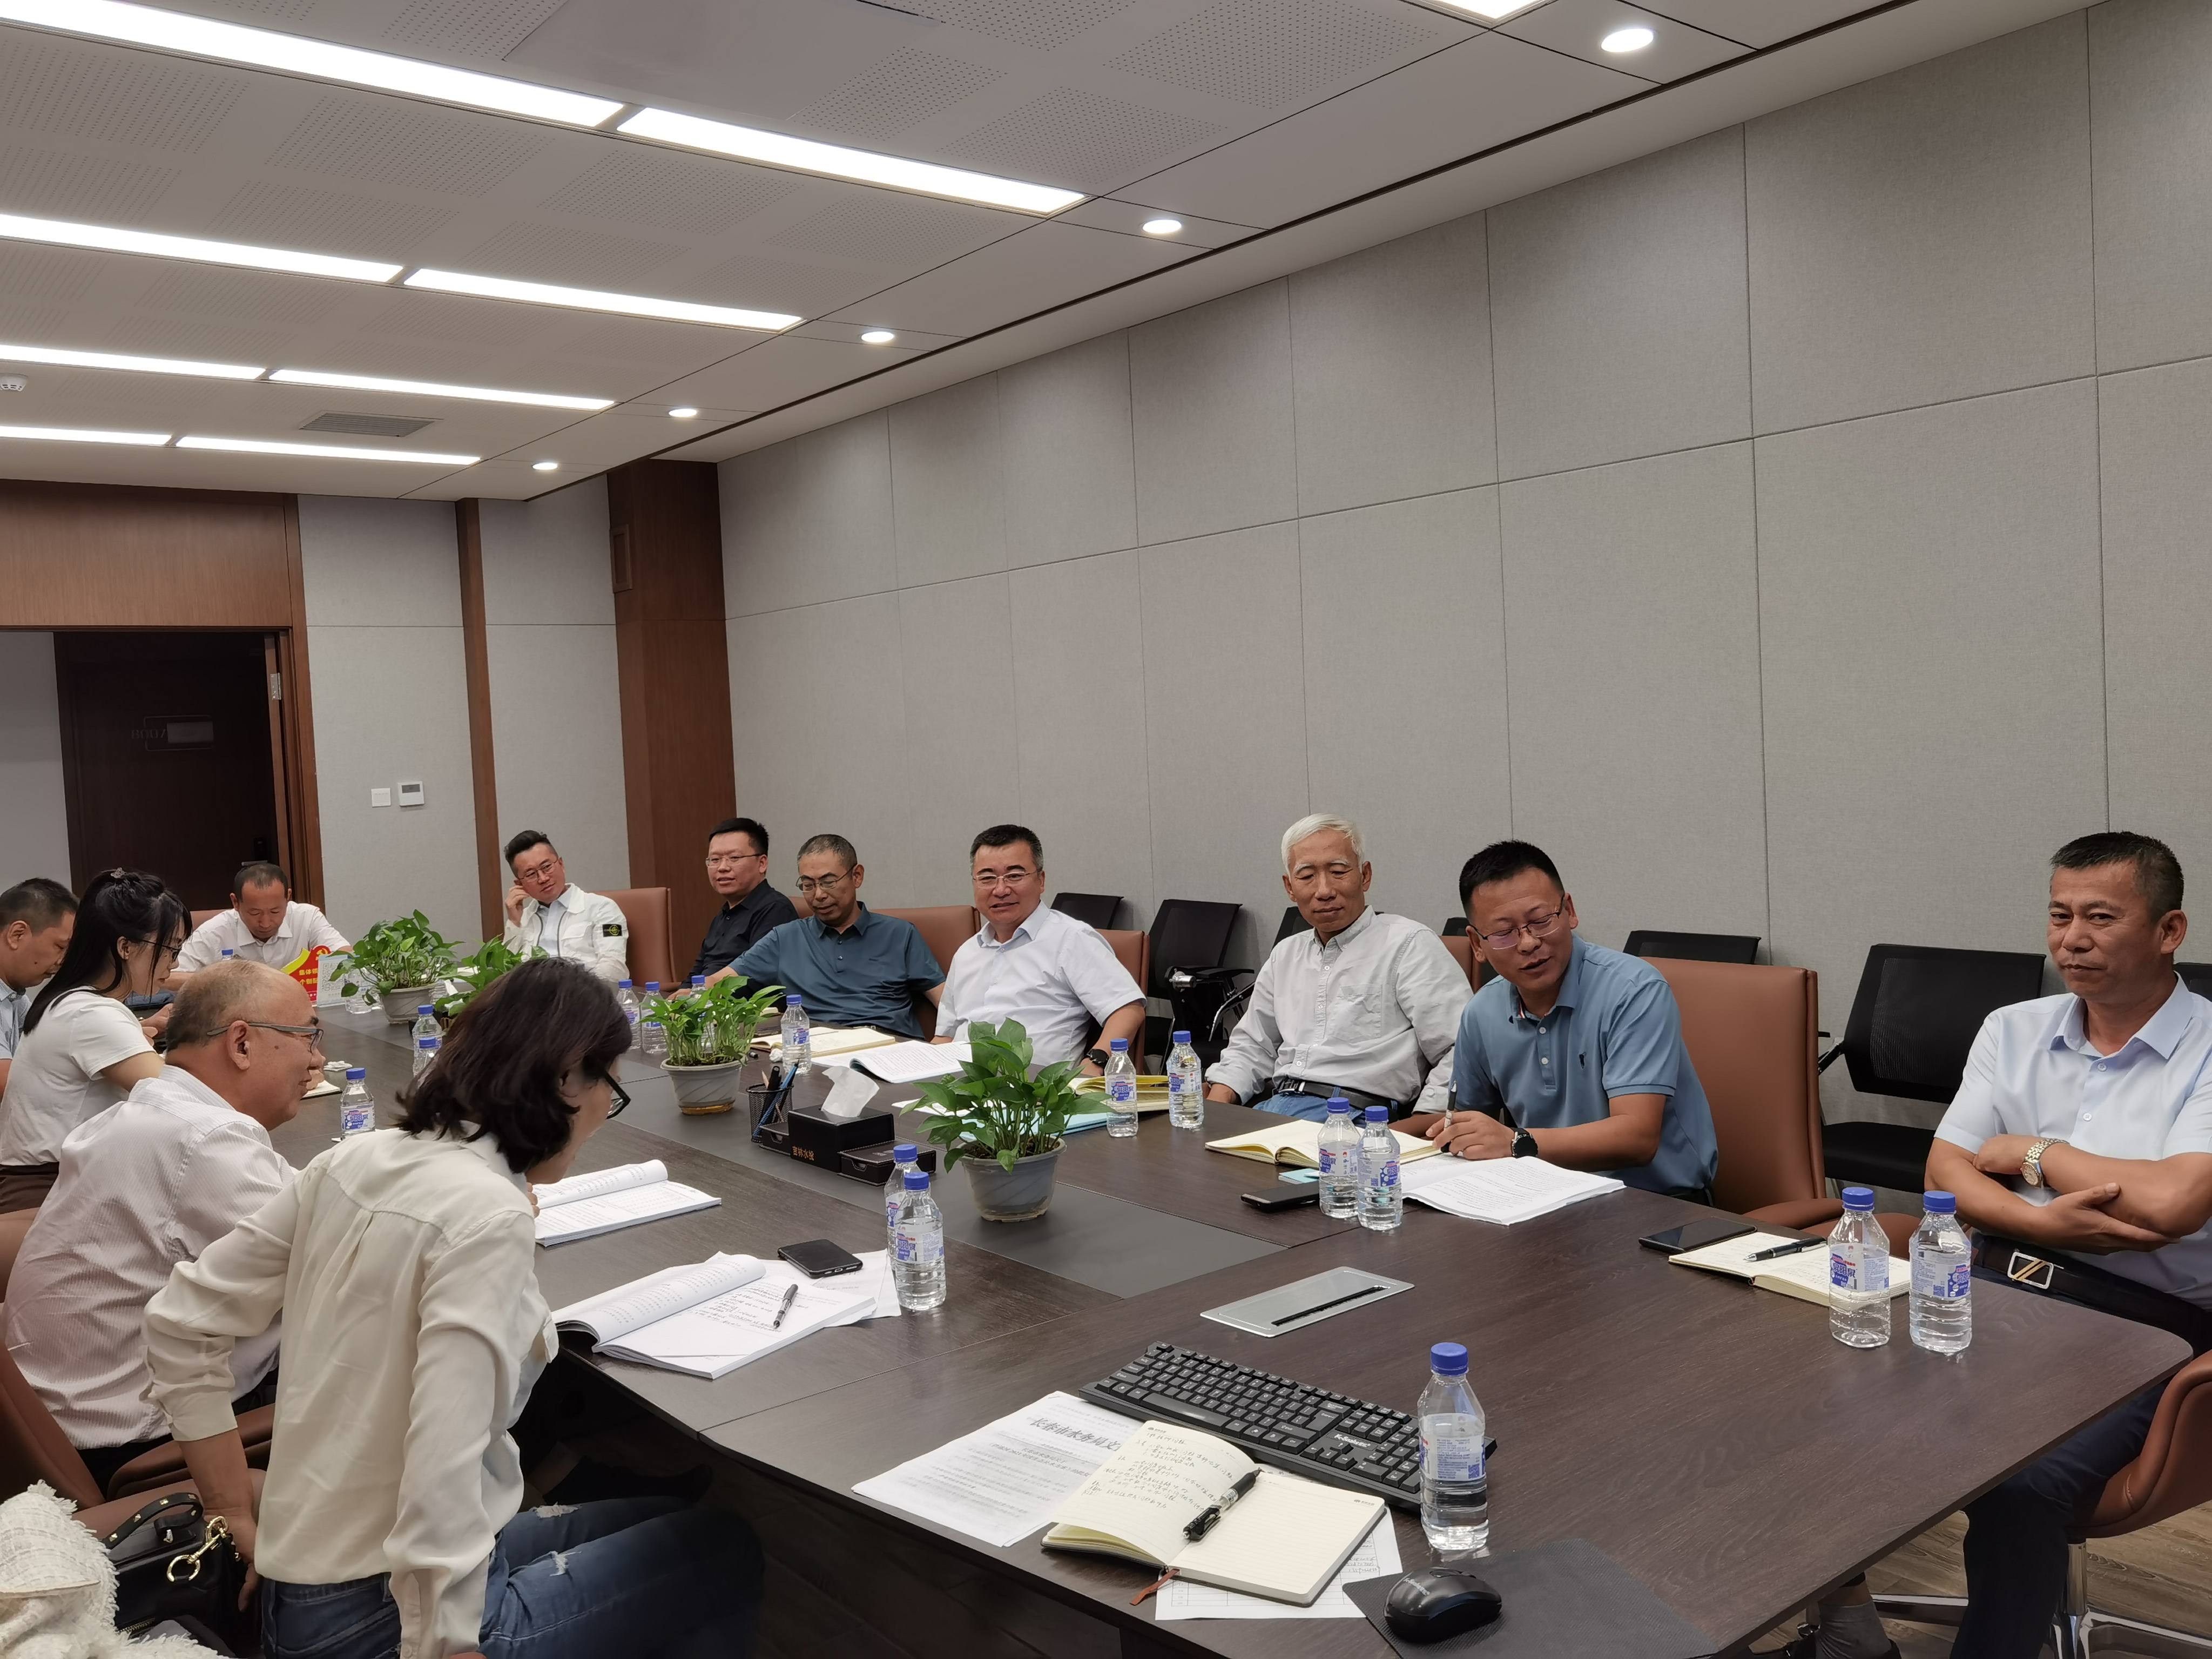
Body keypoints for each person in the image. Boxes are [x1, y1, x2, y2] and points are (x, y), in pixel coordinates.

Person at [144, 958, 761, 1659]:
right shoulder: (487, 1213)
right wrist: (449, 1639)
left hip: (303, 1582)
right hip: (380, 1616)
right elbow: (446, 1454)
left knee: (670, 1517)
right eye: (608, 1089)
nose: (602, 1113)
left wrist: (230, 1507)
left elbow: (179, 1321)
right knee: (726, 1546)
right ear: (567, 1079)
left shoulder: (357, 1158)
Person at [1925, 832, 2212, 1659]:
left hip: (2147, 1326)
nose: (2072, 940)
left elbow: (2176, 1203)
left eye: (2100, 918)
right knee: (1825, 1413)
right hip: (1997, 1284)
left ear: (2169, 930)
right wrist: (2043, 1222)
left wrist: (2032, 1154)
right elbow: (1945, 1170)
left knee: (2022, 1484)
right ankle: (1846, 1627)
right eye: (2059, 916)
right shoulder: (2012, 1029)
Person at [5, 960, 312, 1492]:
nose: (317, 1059)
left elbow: (298, 1202)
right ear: (241, 1044)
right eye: (308, 1037)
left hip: (80, 1416)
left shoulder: (156, 1111)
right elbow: (336, 1256)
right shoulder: (203, 1139)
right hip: (139, 1441)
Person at [1425, 840, 1719, 1199]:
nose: (1528, 943)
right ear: (1476, 944)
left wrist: (1517, 1142)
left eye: (1540, 921)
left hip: (1657, 1202)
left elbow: (1638, 1138)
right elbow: (1468, 1125)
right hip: (1542, 1197)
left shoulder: (1633, 990)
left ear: (1569, 911)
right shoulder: (1481, 1012)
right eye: (1503, 933)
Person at [1206, 815, 1470, 1121]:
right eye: (1307, 876)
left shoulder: (1408, 944)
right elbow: (1253, 1046)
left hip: (1356, 1118)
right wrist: (1213, 1113)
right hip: (1276, 1109)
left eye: (1338, 872)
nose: (1324, 891)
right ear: (1290, 887)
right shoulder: (1285, 955)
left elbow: (1460, 1048)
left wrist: (1422, 1124)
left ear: (1365, 875)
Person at [0, 868, 186, 1212]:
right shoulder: (90, 1012)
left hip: (63, 1179)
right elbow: (179, 1100)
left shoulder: (73, 1001)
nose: (173, 964)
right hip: (49, 1189)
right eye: (170, 949)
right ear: (125, 947)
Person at [934, 826, 1143, 1072]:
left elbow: (1128, 1009)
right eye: (987, 878)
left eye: (1014, 876)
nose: (1001, 890)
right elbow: (945, 1036)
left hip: (1034, 1087)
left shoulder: (1071, 939)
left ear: (1041, 881)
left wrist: (1095, 1064)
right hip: (960, 1084)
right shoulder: (967, 952)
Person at [729, 834, 943, 1040]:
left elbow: (946, 1001)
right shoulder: (784, 938)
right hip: (819, 1048)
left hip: (889, 1045)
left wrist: (944, 1040)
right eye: (808, 885)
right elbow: (719, 984)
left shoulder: (900, 934)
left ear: (857, 876)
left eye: (829, 882)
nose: (819, 895)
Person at [171, 861, 349, 978]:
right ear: (235, 902)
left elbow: (346, 955)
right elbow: (171, 976)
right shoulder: (214, 932)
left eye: (275, 911)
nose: (266, 923)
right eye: (255, 913)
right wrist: (222, 980)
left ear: (288, 897)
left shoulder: (307, 918)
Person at [500, 831, 629, 985]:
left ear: (561, 864)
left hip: (585, 996)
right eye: (531, 874)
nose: (543, 878)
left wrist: (572, 992)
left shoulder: (602, 908)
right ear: (520, 884)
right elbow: (504, 974)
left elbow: (614, 969)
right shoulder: (522, 919)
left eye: (547, 867)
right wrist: (515, 924)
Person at [693, 817, 798, 984]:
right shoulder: (724, 915)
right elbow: (699, 968)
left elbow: (756, 979)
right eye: (715, 860)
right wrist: (683, 992)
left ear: (762, 863)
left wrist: (700, 992)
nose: (723, 867)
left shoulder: (776, 910)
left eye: (734, 858)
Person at [0, 877, 76, 1096]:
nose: (63, 960)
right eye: (60, 947)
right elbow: (9, 1087)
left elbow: (53, 1041)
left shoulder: (14, 995)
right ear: (17, 935)